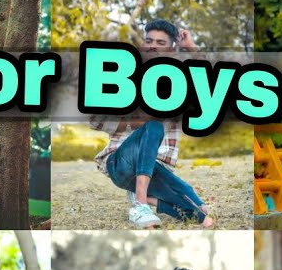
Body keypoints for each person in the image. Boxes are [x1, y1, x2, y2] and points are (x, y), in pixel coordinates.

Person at [86, 20, 216, 229]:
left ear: (172, 48)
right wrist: (136, 119)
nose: (152, 46)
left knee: (200, 210)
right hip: (121, 163)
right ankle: (140, 202)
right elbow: (95, 119)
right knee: (154, 125)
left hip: (158, 167)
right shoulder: (128, 76)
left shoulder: (179, 81)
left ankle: (148, 199)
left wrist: (191, 48)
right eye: (149, 41)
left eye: (160, 42)